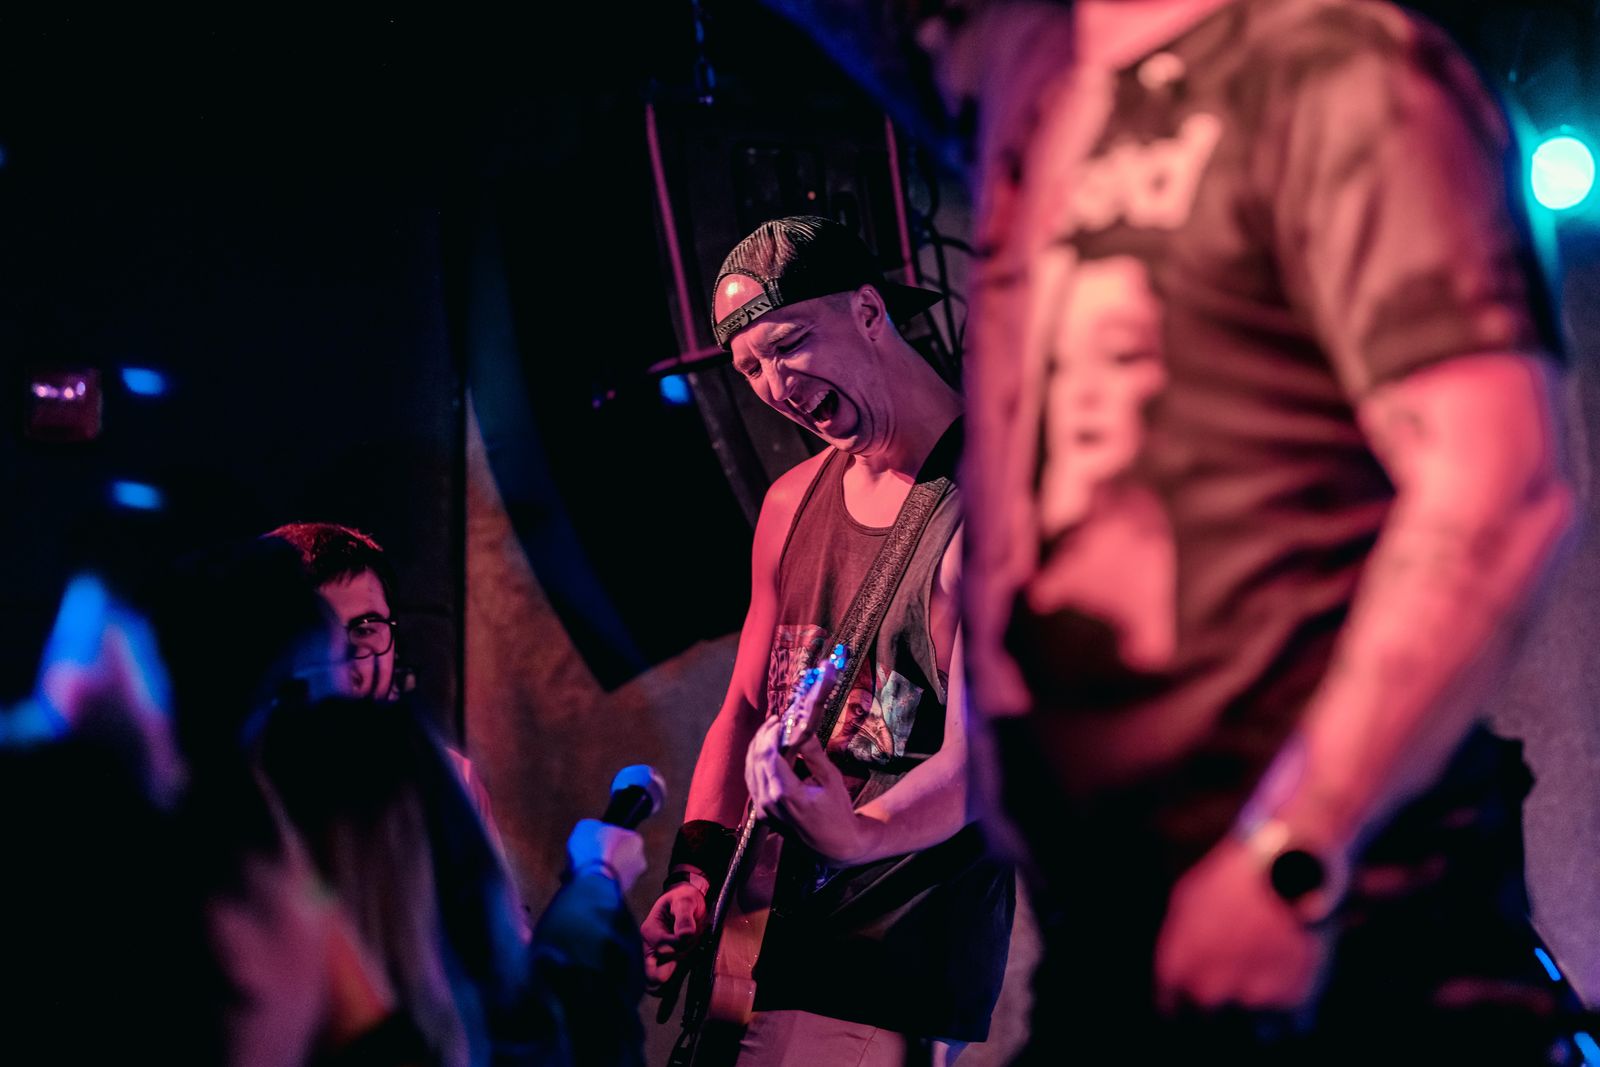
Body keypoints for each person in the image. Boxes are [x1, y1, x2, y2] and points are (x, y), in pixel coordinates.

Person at [774, 0, 1580, 1060]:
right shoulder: (1037, 115)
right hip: (1113, 939)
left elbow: (1499, 483)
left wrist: (1293, 852)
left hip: (1344, 933)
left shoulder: (1328, 68)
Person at [642, 216, 1014, 1065]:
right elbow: (744, 710)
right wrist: (695, 874)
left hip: (880, 967)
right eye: (750, 369)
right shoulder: (790, 503)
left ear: (870, 312)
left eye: (789, 345)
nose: (775, 386)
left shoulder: (993, 507)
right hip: (754, 956)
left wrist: (858, 836)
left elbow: (985, 765)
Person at [266, 521, 508, 853]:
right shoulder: (235, 788)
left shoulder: (450, 782)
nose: (348, 663)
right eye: (320, 633)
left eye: (365, 630)